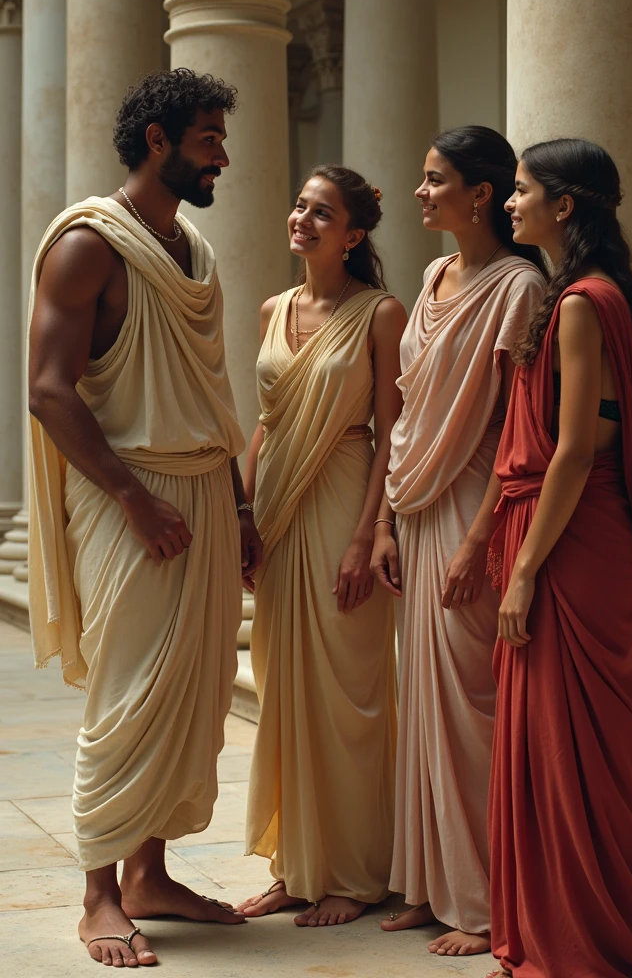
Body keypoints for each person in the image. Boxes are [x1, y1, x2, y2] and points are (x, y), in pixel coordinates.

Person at [27, 68, 261, 968]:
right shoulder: (91, 245)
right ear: (158, 142)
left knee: (194, 694)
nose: (223, 157)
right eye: (209, 139)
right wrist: (132, 499)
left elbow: (211, 390)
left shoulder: (191, 248)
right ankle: (97, 896)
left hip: (201, 488)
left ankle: (151, 876)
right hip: (129, 494)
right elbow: (50, 392)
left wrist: (236, 505)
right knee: (127, 694)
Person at [465, 138, 632, 978]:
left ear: (565, 205)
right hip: (571, 539)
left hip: (572, 551)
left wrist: (522, 573)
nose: (508, 203)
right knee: (556, 749)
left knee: (568, 754)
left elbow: (578, 450)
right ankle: (579, 927)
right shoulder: (584, 297)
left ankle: (586, 939)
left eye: (520, 192)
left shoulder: (584, 304)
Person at [372, 126, 546, 956]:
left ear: (480, 195)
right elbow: (403, 410)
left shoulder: (519, 287)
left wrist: (481, 541)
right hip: (412, 502)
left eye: (434, 179)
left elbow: (521, 425)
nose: (419, 191)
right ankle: (429, 887)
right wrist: (384, 523)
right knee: (423, 708)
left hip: (475, 500)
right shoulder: (436, 273)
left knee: (472, 708)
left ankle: (481, 904)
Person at [237, 165, 406, 927]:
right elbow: (266, 421)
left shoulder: (380, 313)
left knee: (350, 694)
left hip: (343, 495)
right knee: (284, 692)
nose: (303, 217)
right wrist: (242, 514)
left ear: (355, 233)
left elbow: (389, 432)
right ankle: (295, 865)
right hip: (276, 504)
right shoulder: (273, 308)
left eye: (322, 211)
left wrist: (369, 535)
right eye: (300, 204)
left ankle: (356, 873)